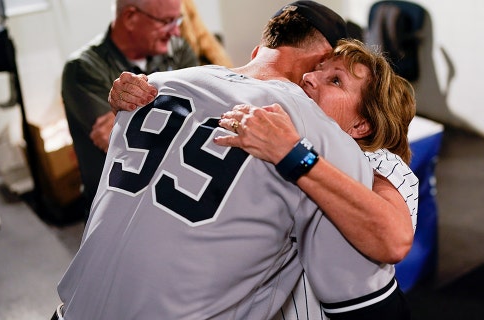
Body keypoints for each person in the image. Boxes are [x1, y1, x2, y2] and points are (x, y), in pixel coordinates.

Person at [58, 2, 410, 319]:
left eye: (336, 79)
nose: (313, 81)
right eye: (326, 71)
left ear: (260, 49)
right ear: (316, 62)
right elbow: (373, 300)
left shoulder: (155, 85)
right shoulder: (311, 134)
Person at [61, 0, 199, 217]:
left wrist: (132, 120)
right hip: (114, 207)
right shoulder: (83, 69)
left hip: (169, 201)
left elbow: (201, 119)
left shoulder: (178, 49)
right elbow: (121, 143)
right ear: (130, 18)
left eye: (177, 20)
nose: (176, 31)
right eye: (166, 21)